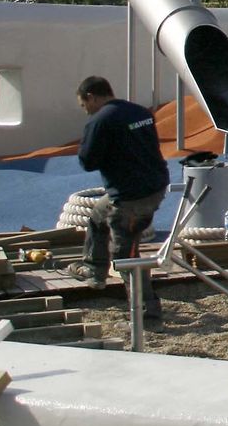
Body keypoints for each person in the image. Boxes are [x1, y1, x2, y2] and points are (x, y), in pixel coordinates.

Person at [67, 75, 169, 322]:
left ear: (91, 97)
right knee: (97, 216)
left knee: (126, 254)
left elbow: (88, 161)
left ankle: (148, 308)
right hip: (153, 186)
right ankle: (95, 270)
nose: (86, 110)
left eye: (84, 105)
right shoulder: (139, 112)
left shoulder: (100, 120)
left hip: (130, 199)